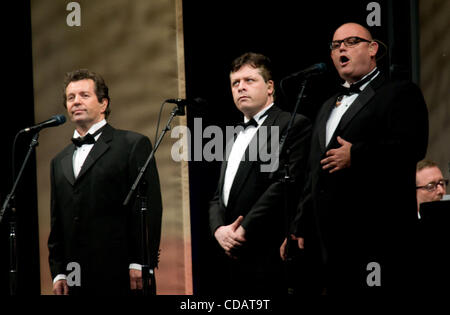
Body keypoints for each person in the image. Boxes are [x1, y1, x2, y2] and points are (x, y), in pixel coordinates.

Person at [290, 23, 429, 293]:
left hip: (377, 238)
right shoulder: (327, 106)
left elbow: (412, 147)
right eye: (335, 44)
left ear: (373, 48)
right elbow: (313, 173)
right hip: (329, 243)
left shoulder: (399, 92)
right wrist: (299, 225)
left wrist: (356, 154)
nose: (341, 47)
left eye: (351, 41)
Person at [48, 69, 163, 295]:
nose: (76, 102)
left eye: (84, 95)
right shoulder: (58, 160)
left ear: (103, 104)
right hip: (76, 275)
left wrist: (141, 261)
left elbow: (149, 208)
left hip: (122, 271)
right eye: (71, 98)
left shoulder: (133, 144)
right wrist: (59, 271)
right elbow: (58, 220)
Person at [208, 52, 311, 295]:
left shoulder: (292, 124)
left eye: (249, 80)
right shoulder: (233, 136)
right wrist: (218, 230)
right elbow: (217, 195)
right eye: (235, 83)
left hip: (267, 252)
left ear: (270, 87)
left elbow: (285, 184)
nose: (241, 87)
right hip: (229, 256)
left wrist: (244, 229)